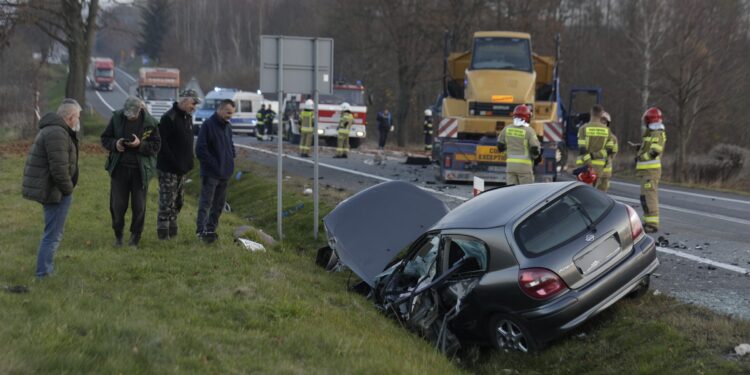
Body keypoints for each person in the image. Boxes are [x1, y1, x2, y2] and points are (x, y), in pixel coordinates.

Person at [22, 98, 81, 278]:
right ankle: (44, 273)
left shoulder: (56, 130)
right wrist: (68, 189)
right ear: (70, 117)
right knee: (52, 236)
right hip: (55, 191)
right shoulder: (57, 133)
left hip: (54, 189)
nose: (78, 120)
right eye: (77, 116)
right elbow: (58, 168)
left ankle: (45, 270)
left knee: (53, 233)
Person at [101, 96, 161, 247]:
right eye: (127, 113)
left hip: (140, 171)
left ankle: (135, 237)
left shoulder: (151, 123)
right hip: (119, 169)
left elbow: (156, 146)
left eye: (132, 113)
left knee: (139, 206)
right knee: (117, 205)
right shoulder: (116, 118)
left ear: (140, 109)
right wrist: (116, 144)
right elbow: (105, 138)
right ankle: (118, 235)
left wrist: (140, 145)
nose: (129, 116)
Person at [155, 89, 200, 240]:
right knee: (167, 200)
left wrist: (189, 162)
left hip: (183, 168)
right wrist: (175, 163)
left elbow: (187, 142)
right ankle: (163, 232)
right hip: (168, 168)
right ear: (185, 101)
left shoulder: (188, 117)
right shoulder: (168, 118)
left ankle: (173, 228)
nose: (194, 107)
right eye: (193, 103)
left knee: (179, 201)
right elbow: (163, 145)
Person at [195, 99, 236, 243]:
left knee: (218, 205)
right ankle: (201, 231)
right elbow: (200, 149)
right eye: (228, 112)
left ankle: (211, 230)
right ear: (220, 109)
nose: (230, 115)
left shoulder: (228, 127)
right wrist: (213, 165)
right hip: (211, 174)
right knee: (206, 203)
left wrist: (231, 160)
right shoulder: (208, 125)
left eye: (232, 113)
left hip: (225, 173)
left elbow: (230, 146)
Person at [636, 107, 667, 233]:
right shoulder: (651, 133)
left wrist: (641, 156)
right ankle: (648, 221)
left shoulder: (657, 133)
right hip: (646, 172)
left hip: (651, 171)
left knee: (650, 197)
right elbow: (650, 148)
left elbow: (655, 152)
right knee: (644, 197)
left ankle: (652, 224)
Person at [497, 104, 540, 185]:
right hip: (525, 167)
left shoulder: (506, 129)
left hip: (510, 166)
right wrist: (536, 158)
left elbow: (500, 146)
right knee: (526, 192)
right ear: (527, 117)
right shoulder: (529, 131)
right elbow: (535, 150)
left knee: (511, 191)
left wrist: (508, 153)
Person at [576, 104, 615, 191]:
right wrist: (595, 155)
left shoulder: (583, 129)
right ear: (601, 115)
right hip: (600, 169)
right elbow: (609, 150)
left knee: (584, 194)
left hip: (585, 167)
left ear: (591, 113)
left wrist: (589, 163)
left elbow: (582, 150)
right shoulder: (607, 131)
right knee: (596, 195)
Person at [597, 111, 618, 192]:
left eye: (604, 122)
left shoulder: (612, 137)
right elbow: (614, 153)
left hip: (601, 171)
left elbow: (614, 152)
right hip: (604, 170)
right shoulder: (612, 137)